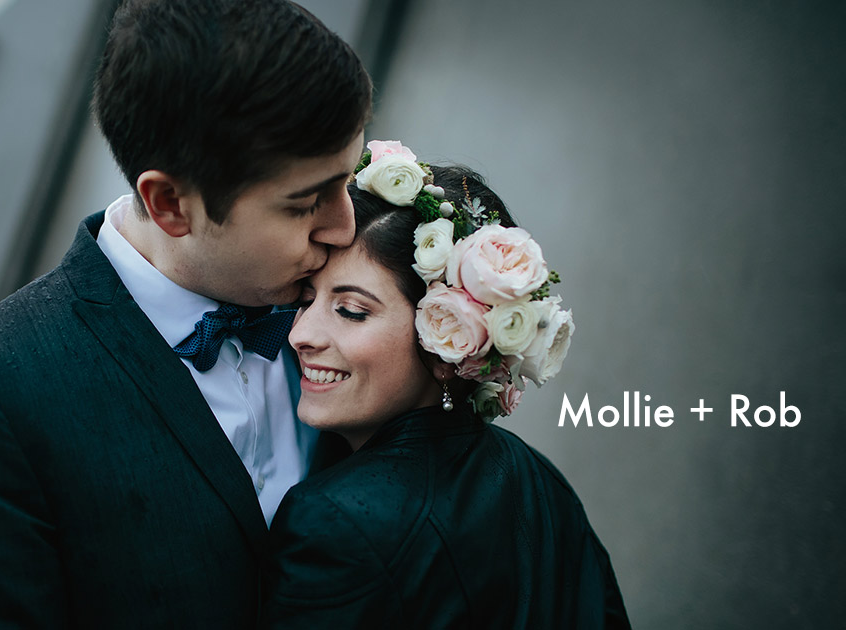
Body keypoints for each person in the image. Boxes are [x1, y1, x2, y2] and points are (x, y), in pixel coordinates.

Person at [0, 1, 370, 627]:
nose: (344, 228)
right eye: (305, 203)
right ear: (170, 203)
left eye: (349, 179)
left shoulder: (346, 301)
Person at [259, 141, 631, 628]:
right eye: (306, 300)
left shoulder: (335, 521)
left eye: (351, 311)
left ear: (447, 341)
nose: (300, 334)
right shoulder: (540, 480)